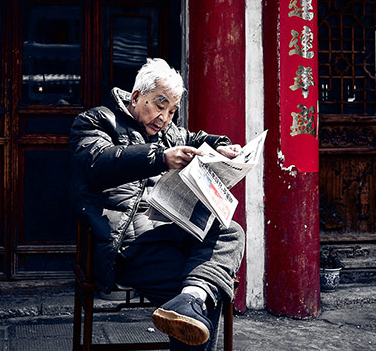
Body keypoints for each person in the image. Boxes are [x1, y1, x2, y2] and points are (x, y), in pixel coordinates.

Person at [69, 58, 245, 350]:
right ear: (137, 96)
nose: (164, 117)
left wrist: (223, 147)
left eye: (172, 111)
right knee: (205, 292)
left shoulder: (170, 132)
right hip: (127, 245)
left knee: (230, 230)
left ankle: (192, 296)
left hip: (171, 235)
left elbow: (201, 139)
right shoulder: (96, 121)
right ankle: (194, 296)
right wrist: (160, 158)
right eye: (159, 106)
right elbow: (97, 161)